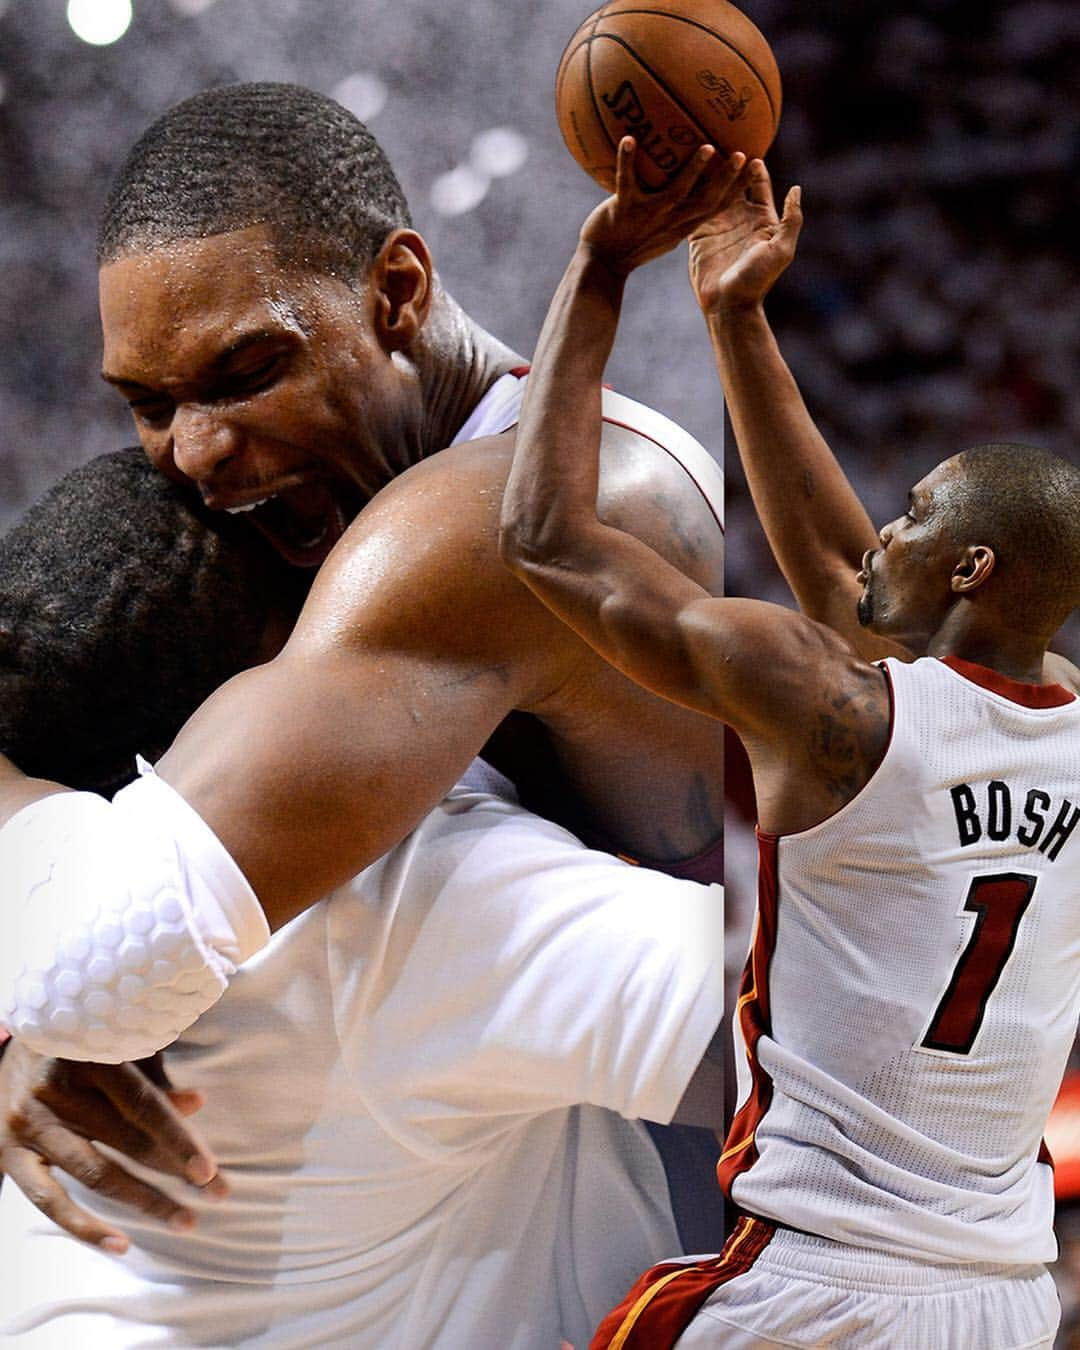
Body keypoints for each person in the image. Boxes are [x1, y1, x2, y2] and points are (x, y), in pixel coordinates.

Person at [0, 80, 733, 1250]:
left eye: (244, 374)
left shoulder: (494, 526)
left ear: (398, 292)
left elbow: (112, 938)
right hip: (589, 1169)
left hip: (757, 1178)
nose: (194, 451)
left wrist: (46, 990)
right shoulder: (321, 496)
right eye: (148, 403)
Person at [498, 137, 1080, 1347]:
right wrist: (735, 314)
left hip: (818, 1290)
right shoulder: (1047, 713)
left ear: (972, 568)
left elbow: (547, 539)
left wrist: (601, 268)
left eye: (913, 513)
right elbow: (839, 571)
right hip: (1007, 1299)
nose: (885, 529)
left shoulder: (841, 710)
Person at [0, 449, 725, 1348]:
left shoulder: (43, 855)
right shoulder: (403, 900)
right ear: (271, 681)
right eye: (329, 620)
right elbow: (843, 1037)